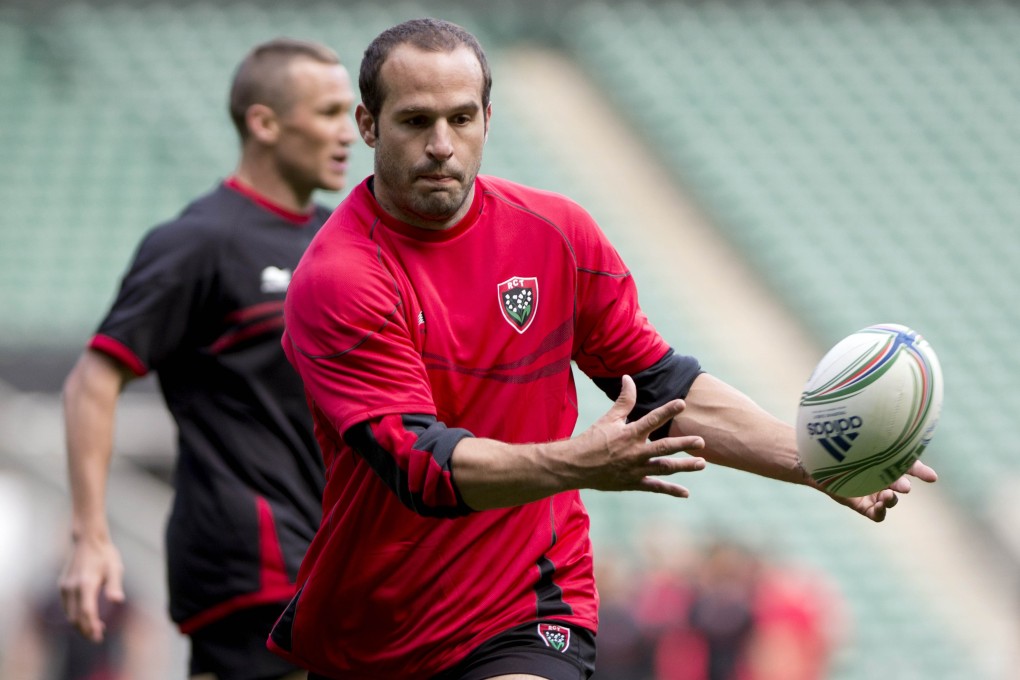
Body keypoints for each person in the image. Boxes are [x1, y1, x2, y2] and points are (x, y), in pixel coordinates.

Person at [267, 18, 938, 680]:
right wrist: (574, 463)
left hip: (525, 609)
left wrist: (814, 462)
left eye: (461, 118)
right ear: (367, 125)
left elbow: (662, 388)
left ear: (488, 120)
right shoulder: (339, 278)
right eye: (416, 121)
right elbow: (423, 468)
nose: (442, 144)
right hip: (373, 635)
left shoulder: (556, 234)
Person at [59, 37, 357, 680]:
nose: (348, 132)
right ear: (265, 123)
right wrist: (90, 534)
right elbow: (93, 379)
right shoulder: (198, 241)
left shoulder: (342, 240)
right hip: (247, 558)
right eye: (329, 112)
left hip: (330, 550)